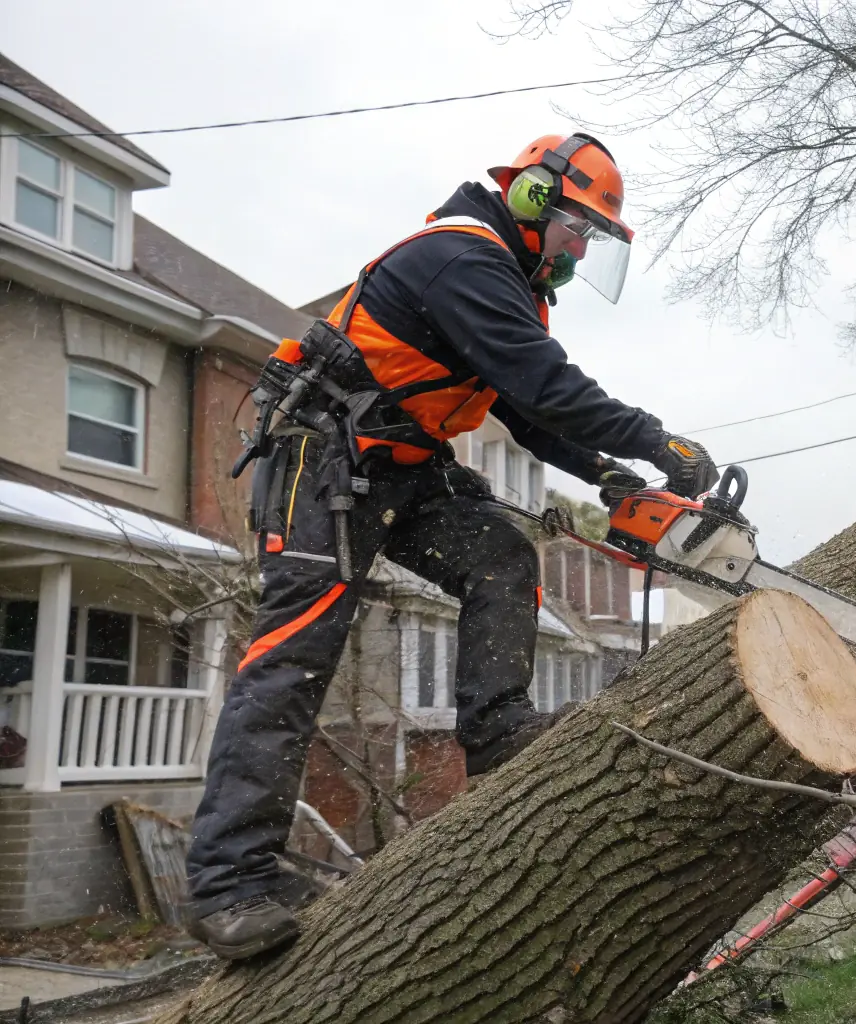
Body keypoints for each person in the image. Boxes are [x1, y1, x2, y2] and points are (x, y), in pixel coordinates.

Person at [185, 132, 718, 960]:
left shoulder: (505, 283)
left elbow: (526, 408)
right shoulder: (458, 257)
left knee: (501, 558)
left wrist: (607, 471)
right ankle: (229, 881)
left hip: (398, 465)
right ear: (534, 199)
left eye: (592, 238)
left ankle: (496, 730)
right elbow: (544, 382)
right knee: (294, 656)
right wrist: (654, 438)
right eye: (577, 227)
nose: (579, 248)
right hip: (327, 455)